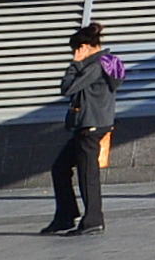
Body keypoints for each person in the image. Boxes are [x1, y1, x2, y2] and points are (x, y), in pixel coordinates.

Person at [46, 22, 116, 236]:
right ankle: (65, 216)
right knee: (60, 168)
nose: (75, 54)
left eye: (76, 50)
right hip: (91, 124)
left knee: (88, 175)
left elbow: (67, 88)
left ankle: (92, 220)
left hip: (90, 126)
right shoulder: (108, 62)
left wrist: (74, 65)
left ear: (84, 47)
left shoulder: (95, 66)